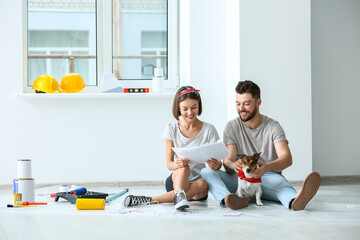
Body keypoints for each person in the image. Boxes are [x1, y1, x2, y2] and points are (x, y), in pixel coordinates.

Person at [201, 80, 321, 211]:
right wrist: (233, 165)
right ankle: (229, 199)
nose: (241, 109)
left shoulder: (273, 126)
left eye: (246, 104)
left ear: (258, 102)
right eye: (238, 104)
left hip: (266, 177)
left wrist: (267, 167)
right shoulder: (232, 127)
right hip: (240, 178)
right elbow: (228, 161)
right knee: (207, 172)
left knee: (282, 187)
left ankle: (294, 200)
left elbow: (287, 158)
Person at [124, 86, 222, 210]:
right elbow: (169, 164)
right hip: (177, 180)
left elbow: (218, 163)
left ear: (199, 106)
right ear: (178, 109)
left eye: (194, 107)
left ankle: (151, 200)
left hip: (198, 189)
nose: (190, 113)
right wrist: (178, 164)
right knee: (184, 168)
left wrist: (216, 165)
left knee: (203, 183)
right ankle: (179, 195)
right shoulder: (171, 128)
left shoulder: (209, 129)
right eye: (185, 109)